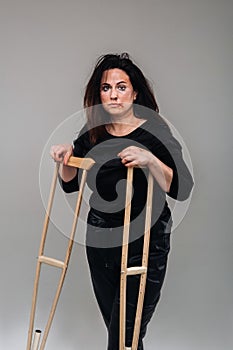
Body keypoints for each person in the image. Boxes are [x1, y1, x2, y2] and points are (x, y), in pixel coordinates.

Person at [50, 53, 194, 350]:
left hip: (146, 240)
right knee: (122, 337)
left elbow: (182, 187)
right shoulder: (93, 132)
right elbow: (70, 184)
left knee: (124, 335)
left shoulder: (155, 131)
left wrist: (149, 159)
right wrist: (66, 156)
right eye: (106, 88)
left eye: (121, 86)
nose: (113, 94)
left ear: (135, 91)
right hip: (101, 239)